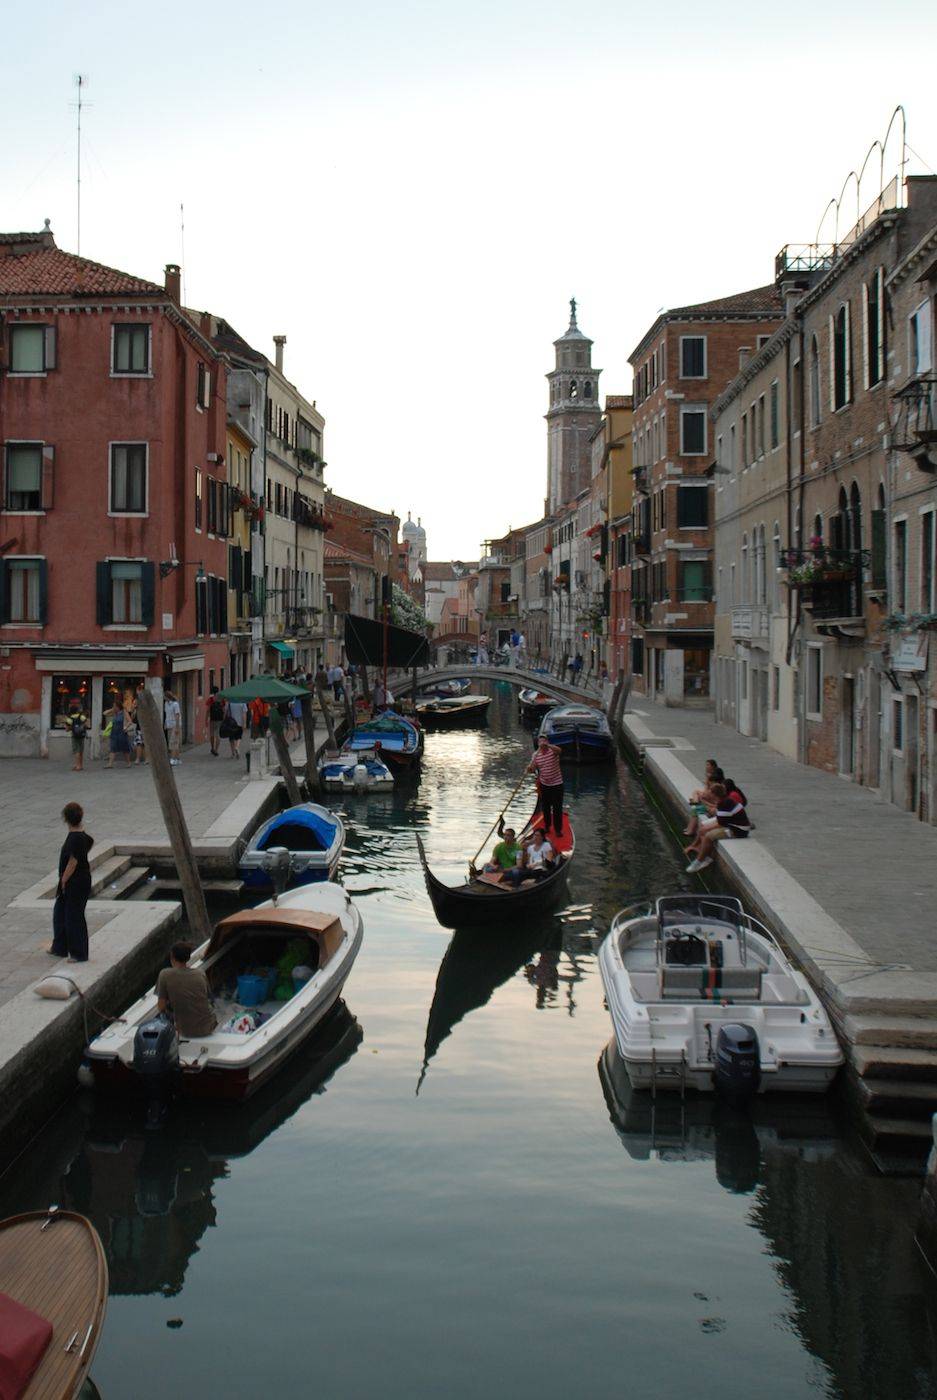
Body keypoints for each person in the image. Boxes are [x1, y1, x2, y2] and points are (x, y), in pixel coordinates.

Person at [49, 802, 93, 962]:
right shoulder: (81, 835)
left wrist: (63, 880)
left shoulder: (76, 838)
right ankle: (59, 947)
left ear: (66, 819)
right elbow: (90, 841)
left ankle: (79, 953)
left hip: (75, 882)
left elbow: (72, 863)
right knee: (60, 912)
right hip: (77, 880)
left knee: (74, 916)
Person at [685, 782, 752, 872]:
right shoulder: (724, 800)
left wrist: (706, 828)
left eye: (709, 790)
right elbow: (721, 819)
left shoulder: (724, 803)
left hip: (738, 830)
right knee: (704, 826)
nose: (707, 791)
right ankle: (702, 851)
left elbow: (721, 823)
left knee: (709, 835)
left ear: (713, 794)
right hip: (730, 822)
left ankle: (698, 862)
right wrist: (705, 827)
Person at [156, 941, 217, 1038]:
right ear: (188, 957)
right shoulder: (200, 974)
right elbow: (210, 999)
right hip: (207, 1028)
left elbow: (161, 1007)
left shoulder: (164, 974)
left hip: (184, 1031)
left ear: (172, 957)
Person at [528, 733, 564, 837]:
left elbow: (559, 751)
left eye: (544, 741)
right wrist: (529, 769)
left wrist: (547, 746)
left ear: (548, 742)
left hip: (557, 784)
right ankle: (547, 826)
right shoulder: (536, 755)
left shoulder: (552, 751)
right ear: (538, 743)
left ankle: (558, 829)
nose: (542, 743)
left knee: (557, 808)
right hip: (544, 784)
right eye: (540, 741)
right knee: (546, 807)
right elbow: (533, 768)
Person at [683, 759, 725, 838]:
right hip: (711, 806)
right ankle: (690, 828)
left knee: (696, 809)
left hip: (714, 810)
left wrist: (704, 802)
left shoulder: (717, 789)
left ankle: (691, 830)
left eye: (708, 765)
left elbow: (716, 805)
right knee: (695, 808)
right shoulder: (717, 787)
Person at [105, 700, 132, 769]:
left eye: (114, 706)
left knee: (125, 748)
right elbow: (105, 713)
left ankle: (128, 762)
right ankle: (110, 764)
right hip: (114, 732)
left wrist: (125, 727)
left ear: (118, 707)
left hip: (122, 732)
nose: (113, 707)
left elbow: (130, 721)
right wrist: (112, 709)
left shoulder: (124, 712)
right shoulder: (114, 713)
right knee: (113, 747)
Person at [66, 701, 88, 772]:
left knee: (76, 751)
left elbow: (67, 729)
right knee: (81, 750)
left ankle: (77, 766)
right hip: (81, 735)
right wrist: (81, 727)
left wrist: (72, 728)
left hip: (74, 735)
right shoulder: (81, 716)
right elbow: (86, 723)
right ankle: (80, 765)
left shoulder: (69, 718)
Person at [164, 689, 183, 764]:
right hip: (169, 725)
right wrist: (165, 723)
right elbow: (167, 714)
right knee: (174, 742)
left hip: (175, 724)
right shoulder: (166, 704)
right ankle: (178, 759)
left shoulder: (175, 704)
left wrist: (177, 727)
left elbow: (177, 715)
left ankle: (172, 759)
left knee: (173, 742)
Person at [206, 686, 225, 756]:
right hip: (220, 719)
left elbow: (208, 710)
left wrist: (206, 719)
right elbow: (224, 710)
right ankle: (216, 750)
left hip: (212, 719)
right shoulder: (221, 699)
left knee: (212, 734)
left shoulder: (211, 699)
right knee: (218, 735)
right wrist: (224, 718)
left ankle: (212, 748)